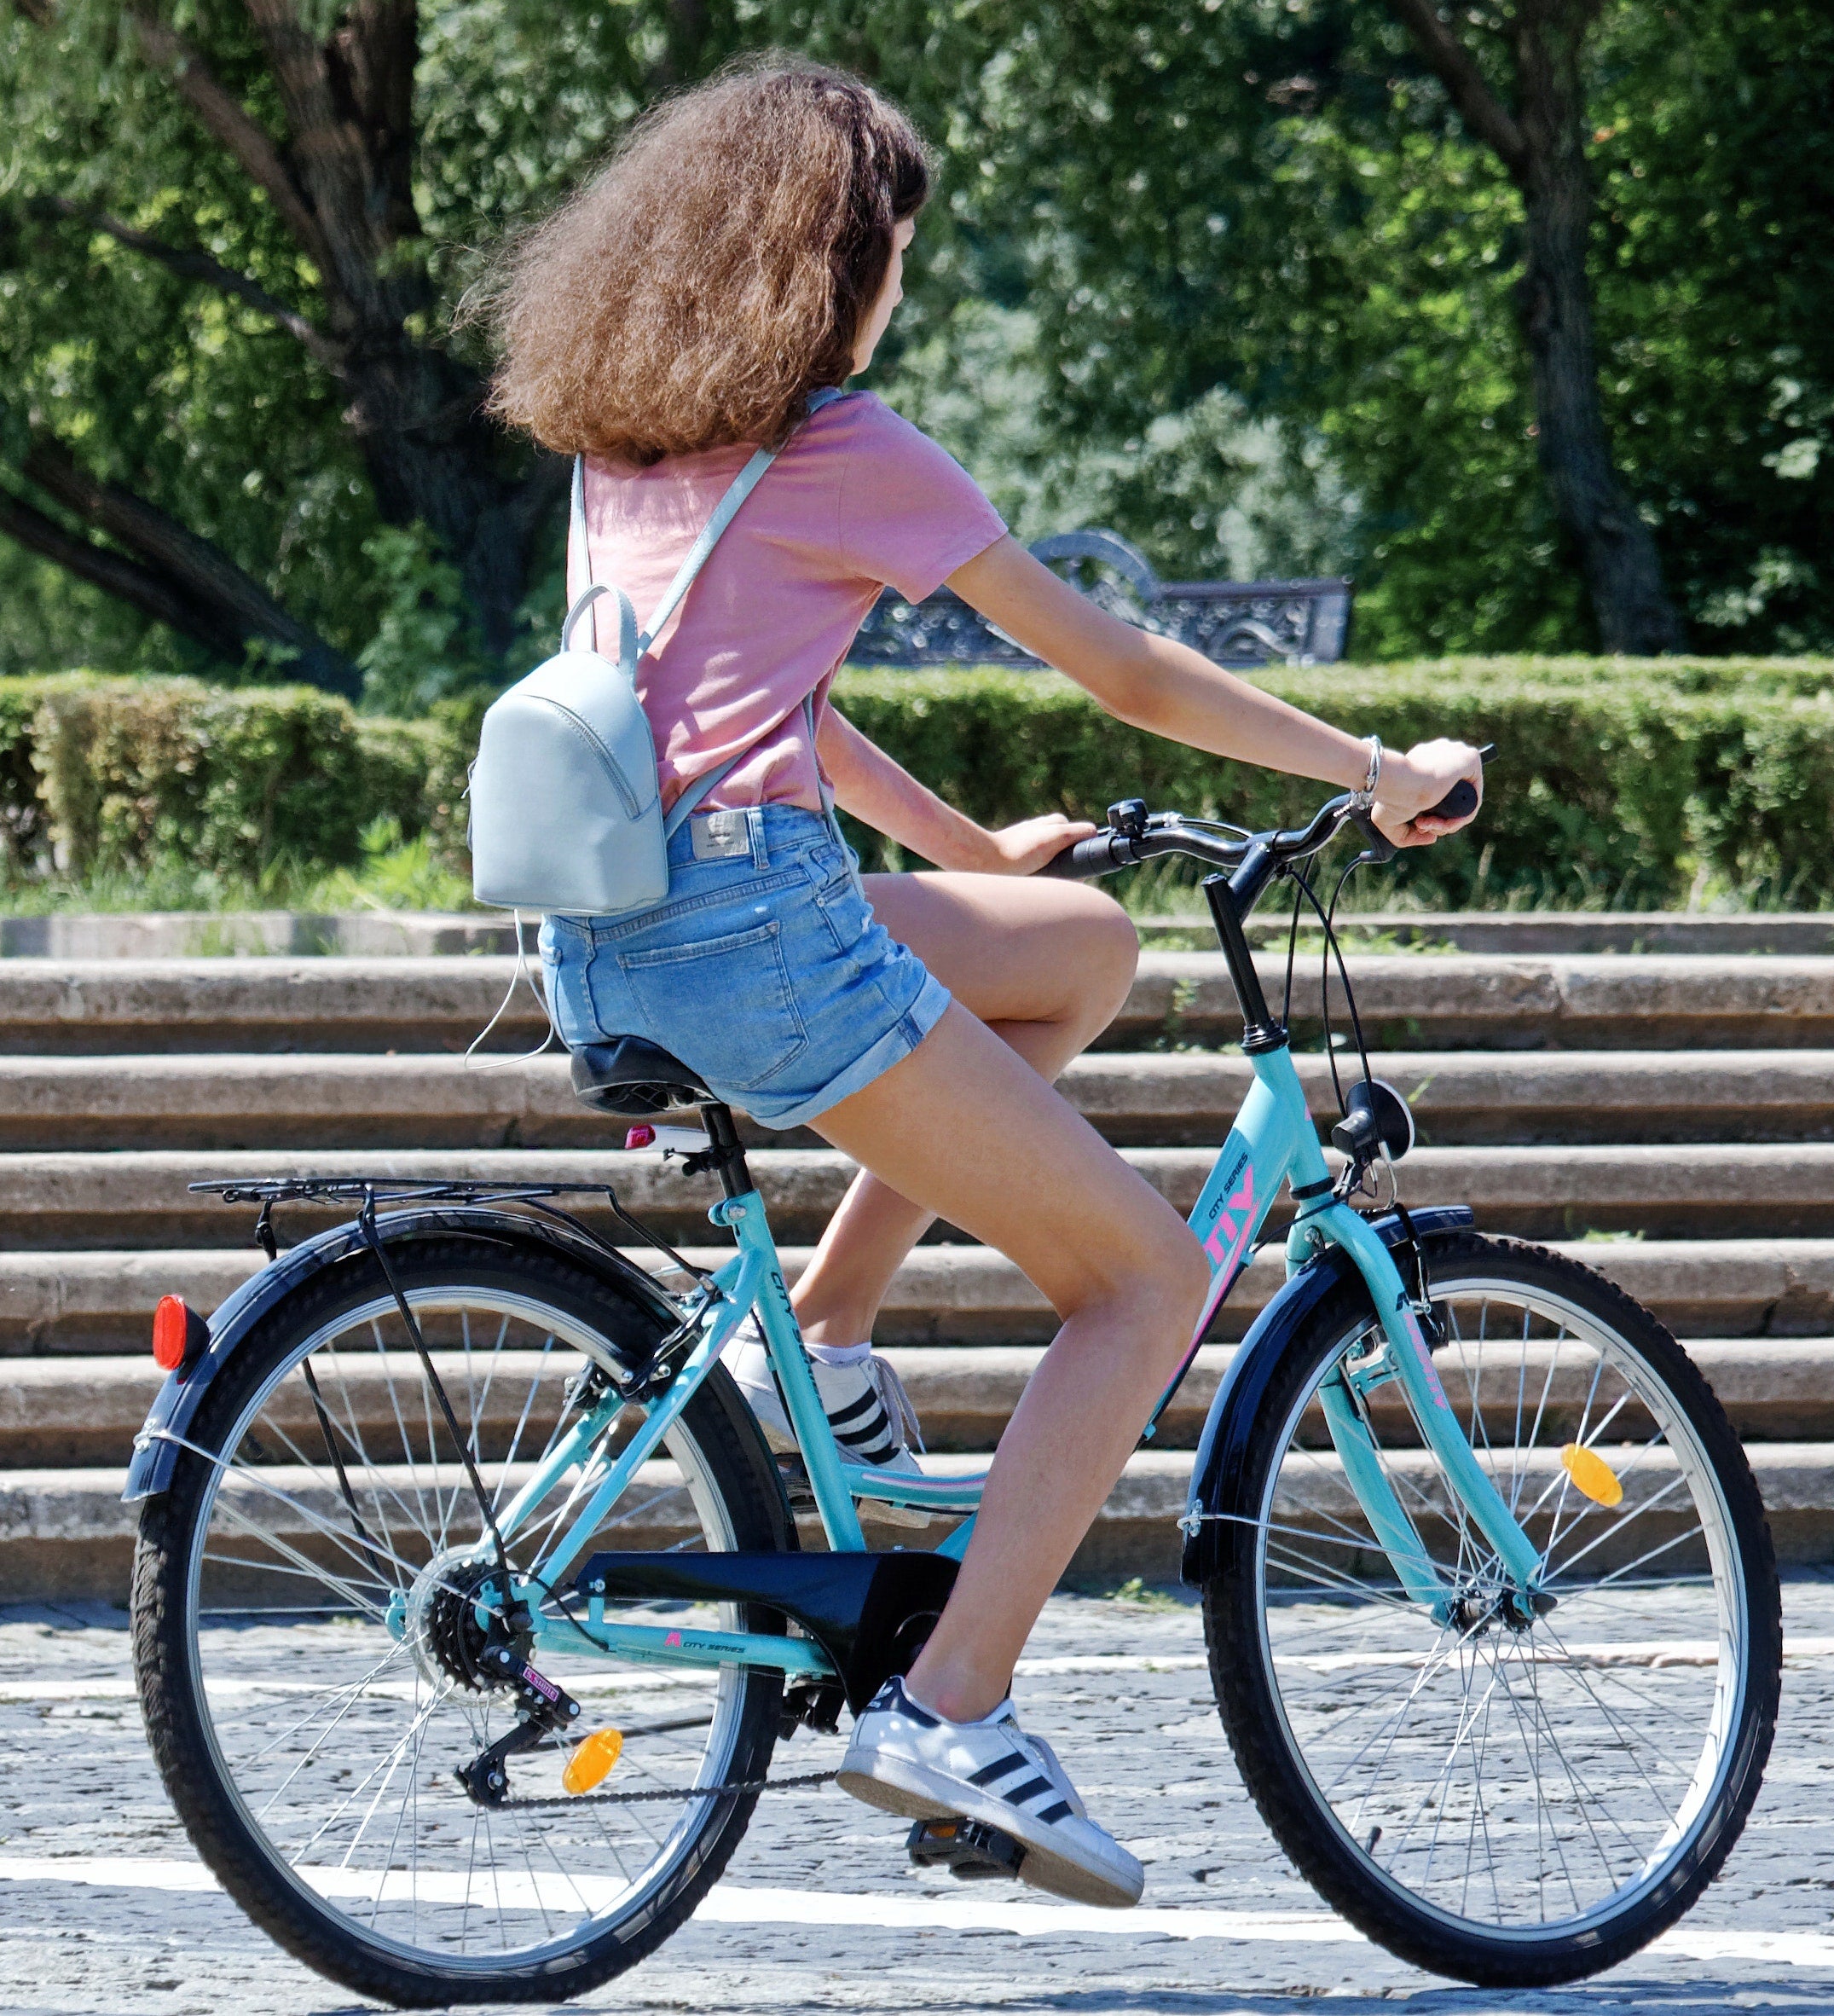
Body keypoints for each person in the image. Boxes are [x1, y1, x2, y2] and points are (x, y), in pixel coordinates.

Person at [479, 55, 1481, 1911]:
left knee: (1077, 948)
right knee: (1147, 1280)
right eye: (894, 260)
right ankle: (953, 1708)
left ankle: (839, 1338)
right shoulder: (853, 448)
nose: (899, 294)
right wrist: (1376, 771)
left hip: (613, 913)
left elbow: (750, 698)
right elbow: (1128, 673)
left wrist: (961, 848)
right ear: (827, 262)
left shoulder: (627, 442)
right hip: (762, 927)